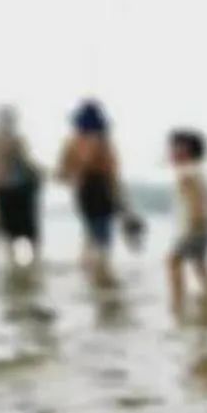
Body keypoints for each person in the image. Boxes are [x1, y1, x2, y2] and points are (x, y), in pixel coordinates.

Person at [58, 100, 123, 284]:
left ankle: (89, 273)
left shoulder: (73, 142)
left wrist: (75, 176)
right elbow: (113, 171)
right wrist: (119, 197)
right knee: (102, 234)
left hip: (84, 190)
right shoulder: (103, 142)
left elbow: (62, 173)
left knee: (90, 231)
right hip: (101, 187)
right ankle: (102, 273)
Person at [0, 107, 41, 264]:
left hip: (2, 189)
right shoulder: (15, 140)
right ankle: (32, 260)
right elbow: (25, 163)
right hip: (19, 189)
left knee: (10, 230)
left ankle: (14, 262)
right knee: (27, 229)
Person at [167, 130, 207, 310]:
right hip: (205, 228)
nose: (170, 152)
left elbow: (197, 200)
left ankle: (177, 302)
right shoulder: (196, 170)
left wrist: (195, 226)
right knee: (200, 265)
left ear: (185, 151)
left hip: (194, 228)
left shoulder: (186, 173)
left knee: (172, 261)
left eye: (174, 148)